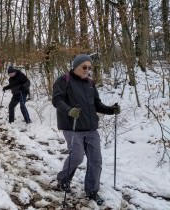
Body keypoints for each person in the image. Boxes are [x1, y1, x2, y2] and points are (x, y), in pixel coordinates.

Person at [52, 54, 121, 205]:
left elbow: (97, 104)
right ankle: (63, 179)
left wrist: (111, 110)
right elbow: (57, 100)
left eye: (90, 68)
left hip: (90, 128)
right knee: (77, 156)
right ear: (75, 66)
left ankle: (91, 190)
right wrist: (69, 110)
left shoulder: (90, 83)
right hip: (72, 126)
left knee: (96, 160)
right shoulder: (64, 80)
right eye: (84, 67)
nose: (87, 70)